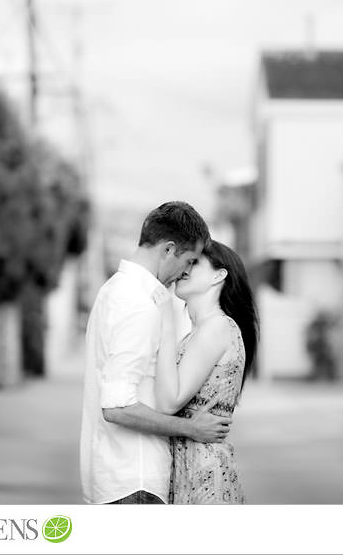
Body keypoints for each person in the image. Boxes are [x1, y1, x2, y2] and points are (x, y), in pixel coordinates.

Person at [80, 201, 232, 505]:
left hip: (116, 478)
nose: (187, 270)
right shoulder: (138, 304)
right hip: (135, 482)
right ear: (168, 250)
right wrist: (192, 429)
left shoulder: (113, 290)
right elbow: (117, 407)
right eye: (189, 260)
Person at [155, 239, 259, 504]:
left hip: (205, 477)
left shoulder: (217, 327)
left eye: (194, 262)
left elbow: (169, 401)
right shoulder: (200, 332)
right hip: (191, 471)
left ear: (218, 275)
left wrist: (166, 321)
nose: (185, 268)